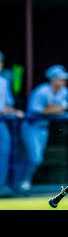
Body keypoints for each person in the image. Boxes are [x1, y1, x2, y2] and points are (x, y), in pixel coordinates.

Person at [16, 65, 68, 193]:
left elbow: (61, 109)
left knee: (33, 158)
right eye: (60, 79)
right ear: (52, 79)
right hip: (31, 127)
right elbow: (38, 111)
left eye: (64, 79)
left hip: (43, 128)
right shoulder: (41, 91)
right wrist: (52, 109)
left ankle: (22, 182)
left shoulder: (65, 91)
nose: (63, 81)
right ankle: (22, 182)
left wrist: (51, 109)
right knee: (33, 158)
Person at [0, 51, 24, 197]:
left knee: (4, 154)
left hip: (2, 123)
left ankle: (1, 186)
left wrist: (13, 111)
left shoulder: (3, 81)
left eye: (1, 61)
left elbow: (8, 104)